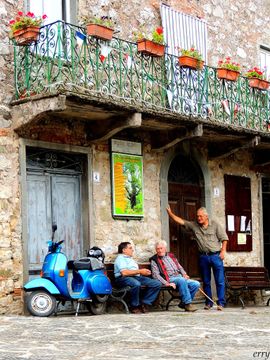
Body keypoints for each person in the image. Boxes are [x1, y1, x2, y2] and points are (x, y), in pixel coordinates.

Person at [166, 206, 228, 311]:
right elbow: (181, 221)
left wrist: (223, 251)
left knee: (220, 280)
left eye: (201, 216)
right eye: (197, 216)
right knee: (206, 281)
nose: (198, 218)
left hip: (216, 256)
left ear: (206, 216)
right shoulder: (194, 225)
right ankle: (208, 303)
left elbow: (224, 238)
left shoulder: (215, 225)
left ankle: (221, 302)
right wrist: (170, 214)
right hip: (203, 256)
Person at [150, 240, 200, 312]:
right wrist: (167, 283)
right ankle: (188, 304)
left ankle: (183, 303)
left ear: (165, 248)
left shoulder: (171, 256)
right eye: (158, 249)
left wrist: (184, 274)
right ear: (156, 250)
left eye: (161, 248)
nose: (160, 250)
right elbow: (156, 275)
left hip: (179, 277)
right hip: (168, 279)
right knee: (181, 280)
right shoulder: (154, 260)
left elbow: (179, 267)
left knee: (196, 284)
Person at [114, 242, 161, 314]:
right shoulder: (121, 258)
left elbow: (135, 272)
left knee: (156, 283)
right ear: (124, 250)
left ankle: (145, 303)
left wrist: (144, 272)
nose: (132, 250)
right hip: (122, 279)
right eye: (130, 248)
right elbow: (124, 273)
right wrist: (140, 271)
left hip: (135, 277)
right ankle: (134, 306)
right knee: (136, 284)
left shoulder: (130, 258)